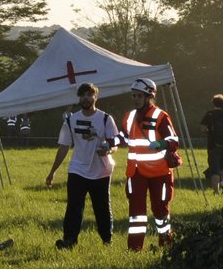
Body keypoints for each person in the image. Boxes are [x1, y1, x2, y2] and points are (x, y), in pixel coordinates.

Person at [44, 82, 119, 249]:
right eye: (82, 95)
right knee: (74, 207)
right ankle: (69, 241)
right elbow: (63, 147)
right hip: (77, 169)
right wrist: (52, 172)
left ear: (95, 97)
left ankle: (107, 240)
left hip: (101, 171)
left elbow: (115, 143)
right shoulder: (71, 120)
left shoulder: (106, 118)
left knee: (102, 208)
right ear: (79, 98)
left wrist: (108, 149)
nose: (85, 98)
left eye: (89, 94)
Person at [120, 77, 180, 250]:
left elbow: (174, 140)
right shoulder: (129, 116)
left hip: (160, 172)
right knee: (136, 214)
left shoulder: (160, 116)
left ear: (149, 96)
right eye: (134, 95)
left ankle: (167, 244)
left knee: (161, 211)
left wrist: (162, 143)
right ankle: (134, 249)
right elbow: (124, 136)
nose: (136, 99)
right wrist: (110, 142)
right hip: (136, 172)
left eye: (140, 96)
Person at [200, 94, 223, 194]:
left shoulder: (210, 114)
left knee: (214, 169)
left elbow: (203, 129)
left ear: (213, 103)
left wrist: (209, 132)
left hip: (214, 144)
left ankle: (216, 192)